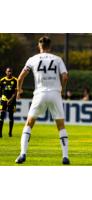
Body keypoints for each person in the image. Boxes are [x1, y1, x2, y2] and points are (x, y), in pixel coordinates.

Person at [15, 36, 70, 165]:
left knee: (29, 124)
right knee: (61, 126)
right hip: (55, 93)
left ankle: (22, 154)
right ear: (50, 47)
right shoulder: (57, 59)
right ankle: (65, 156)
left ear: (39, 46)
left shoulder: (32, 59)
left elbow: (20, 77)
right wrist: (61, 89)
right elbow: (65, 76)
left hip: (40, 94)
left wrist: (19, 90)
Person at [0, 68, 17, 137]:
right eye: (8, 71)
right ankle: (0, 133)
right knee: (1, 116)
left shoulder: (15, 80)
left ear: (12, 72)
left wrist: (10, 99)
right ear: (5, 72)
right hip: (4, 100)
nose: (9, 72)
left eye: (10, 71)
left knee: (11, 116)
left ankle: (10, 133)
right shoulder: (2, 80)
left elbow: (15, 92)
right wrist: (1, 97)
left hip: (12, 100)